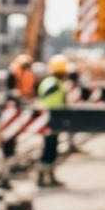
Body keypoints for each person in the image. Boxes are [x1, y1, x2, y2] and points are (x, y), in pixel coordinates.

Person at [34, 54, 69, 187]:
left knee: (52, 147)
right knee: (49, 148)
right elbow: (45, 98)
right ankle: (43, 176)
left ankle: (49, 176)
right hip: (49, 120)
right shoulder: (53, 83)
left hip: (53, 119)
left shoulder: (52, 82)